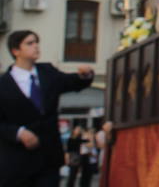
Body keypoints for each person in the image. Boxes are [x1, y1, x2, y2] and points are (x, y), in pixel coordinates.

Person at [0, 30, 94, 187]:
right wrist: (18, 133)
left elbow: (71, 82)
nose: (36, 46)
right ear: (16, 51)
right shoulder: (3, 85)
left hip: (48, 158)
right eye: (30, 43)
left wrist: (85, 75)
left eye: (37, 42)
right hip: (16, 162)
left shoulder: (48, 72)